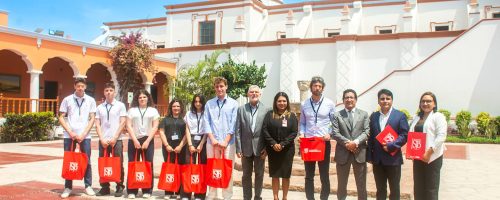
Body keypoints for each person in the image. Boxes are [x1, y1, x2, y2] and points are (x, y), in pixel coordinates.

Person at [367, 89, 408, 200]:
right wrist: (369, 156)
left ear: (392, 100)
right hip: (378, 160)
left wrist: (391, 145)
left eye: (388, 99)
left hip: (393, 159)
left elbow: (404, 135)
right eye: (382, 99)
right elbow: (370, 137)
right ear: (378, 101)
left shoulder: (400, 116)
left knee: (394, 189)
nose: (385, 101)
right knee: (380, 189)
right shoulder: (373, 116)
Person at [59, 78, 97, 198]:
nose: (80, 88)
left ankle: (88, 186)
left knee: (87, 160)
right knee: (69, 161)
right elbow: (61, 117)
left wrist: (84, 133)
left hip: (85, 135)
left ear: (85, 87)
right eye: (78, 86)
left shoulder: (91, 100)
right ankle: (68, 187)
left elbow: (92, 118)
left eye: (82, 86)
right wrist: (70, 132)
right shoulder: (67, 99)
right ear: (75, 86)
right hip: (69, 135)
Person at [299, 76, 335, 200]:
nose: (317, 88)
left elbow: (333, 122)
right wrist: (302, 133)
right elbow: (302, 122)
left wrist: (330, 133)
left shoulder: (329, 103)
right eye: (315, 86)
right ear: (311, 88)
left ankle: (324, 198)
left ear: (323, 88)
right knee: (309, 175)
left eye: (320, 86)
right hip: (308, 143)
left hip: (323, 142)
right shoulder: (304, 104)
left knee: (324, 174)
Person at [203, 77, 238, 200]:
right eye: (217, 86)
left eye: (221, 86)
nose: (219, 89)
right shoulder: (209, 103)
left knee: (227, 169)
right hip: (212, 143)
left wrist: (225, 141)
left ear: (226, 87)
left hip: (228, 143)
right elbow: (206, 122)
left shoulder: (234, 103)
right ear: (214, 88)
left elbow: (234, 124)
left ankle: (227, 196)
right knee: (213, 168)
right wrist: (213, 140)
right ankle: (212, 195)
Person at [332, 89, 369, 200]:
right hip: (343, 154)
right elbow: (335, 133)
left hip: (359, 154)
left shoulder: (364, 114)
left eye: (351, 97)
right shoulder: (337, 115)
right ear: (343, 100)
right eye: (346, 97)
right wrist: (348, 143)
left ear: (355, 99)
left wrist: (355, 142)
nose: (349, 99)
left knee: (361, 185)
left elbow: (366, 131)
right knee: (342, 185)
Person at [409, 92, 447, 200]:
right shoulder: (416, 117)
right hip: (418, 157)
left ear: (434, 104)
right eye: (423, 101)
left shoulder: (438, 117)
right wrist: (411, 152)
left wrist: (429, 152)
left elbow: (441, 136)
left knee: (431, 189)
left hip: (432, 157)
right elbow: (412, 134)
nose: (425, 103)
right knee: (418, 187)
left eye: (429, 101)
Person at [235, 85, 269, 200]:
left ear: (260, 94)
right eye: (251, 92)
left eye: (256, 92)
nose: (254, 94)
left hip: (260, 149)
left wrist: (267, 148)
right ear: (248, 94)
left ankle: (258, 196)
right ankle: (247, 197)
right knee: (246, 176)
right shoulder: (241, 109)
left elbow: (268, 131)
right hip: (246, 148)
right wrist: (238, 148)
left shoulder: (266, 110)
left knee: (259, 175)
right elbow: (237, 130)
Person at [262, 92, 298, 200]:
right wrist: (273, 144)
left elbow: (294, 132)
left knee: (286, 175)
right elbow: (265, 130)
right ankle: (275, 197)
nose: (282, 103)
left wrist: (282, 144)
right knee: (275, 175)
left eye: (284, 101)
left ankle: (284, 198)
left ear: (287, 102)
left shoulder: (291, 116)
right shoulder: (269, 114)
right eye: (279, 101)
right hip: (273, 150)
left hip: (287, 150)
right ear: (275, 102)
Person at [125, 89, 160, 199]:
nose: (142, 99)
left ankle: (147, 190)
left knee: (148, 165)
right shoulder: (132, 110)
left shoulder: (153, 111)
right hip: (133, 140)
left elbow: (155, 127)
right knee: (132, 165)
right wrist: (135, 140)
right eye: (140, 97)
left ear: (148, 98)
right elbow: (128, 126)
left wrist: (147, 141)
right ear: (137, 99)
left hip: (148, 140)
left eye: (144, 97)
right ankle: (132, 190)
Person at [95, 83, 127, 197]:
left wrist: (115, 137)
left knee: (118, 163)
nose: (109, 92)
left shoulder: (120, 105)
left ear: (115, 92)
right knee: (103, 163)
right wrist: (101, 138)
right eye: (107, 90)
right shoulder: (99, 107)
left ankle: (119, 186)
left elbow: (123, 122)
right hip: (103, 141)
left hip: (116, 140)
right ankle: (104, 187)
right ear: (104, 92)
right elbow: (97, 124)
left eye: (111, 90)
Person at [159, 99, 187, 199]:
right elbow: (161, 132)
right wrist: (167, 145)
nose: (176, 108)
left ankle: (179, 191)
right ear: (171, 108)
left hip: (181, 148)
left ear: (181, 108)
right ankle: (168, 191)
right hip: (168, 148)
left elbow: (186, 134)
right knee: (169, 169)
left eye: (178, 106)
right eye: (174, 106)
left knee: (180, 169)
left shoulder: (184, 120)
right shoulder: (165, 119)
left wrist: (180, 146)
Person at [184, 94, 208, 200]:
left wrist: (202, 143)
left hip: (203, 140)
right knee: (188, 167)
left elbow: (208, 130)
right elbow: (187, 129)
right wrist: (189, 144)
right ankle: (186, 193)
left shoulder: (207, 113)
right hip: (191, 139)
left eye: (199, 101)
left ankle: (200, 194)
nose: (197, 103)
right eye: (195, 101)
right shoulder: (189, 114)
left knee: (202, 167)